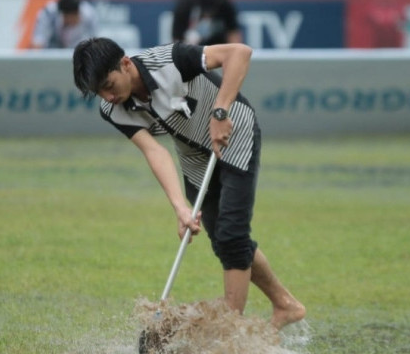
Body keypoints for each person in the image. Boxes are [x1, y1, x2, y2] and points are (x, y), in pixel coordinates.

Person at [72, 37, 305, 329]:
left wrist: (220, 111)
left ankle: (230, 333)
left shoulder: (170, 60)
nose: (107, 97)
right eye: (99, 93)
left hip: (235, 135)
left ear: (126, 64)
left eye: (108, 85)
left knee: (232, 234)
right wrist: (180, 207)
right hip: (194, 157)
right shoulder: (112, 109)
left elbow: (239, 53)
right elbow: (155, 151)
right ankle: (286, 305)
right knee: (223, 239)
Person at [172, 0, 243, 46]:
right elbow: (177, 38)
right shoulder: (185, 6)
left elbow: (233, 34)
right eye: (205, 13)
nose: (207, 16)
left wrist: (233, 54)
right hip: (192, 49)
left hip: (219, 46)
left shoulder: (225, 5)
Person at [31, 0, 98, 49]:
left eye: (76, 17)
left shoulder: (89, 14)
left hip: (78, 49)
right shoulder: (48, 14)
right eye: (71, 19)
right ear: (63, 15)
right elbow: (38, 41)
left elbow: (95, 41)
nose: (74, 22)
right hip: (53, 48)